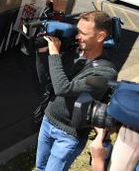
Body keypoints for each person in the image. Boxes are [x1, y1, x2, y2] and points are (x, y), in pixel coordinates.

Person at [35, 10, 118, 171]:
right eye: (77, 30)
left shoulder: (106, 73)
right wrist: (42, 52)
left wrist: (54, 54)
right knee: (40, 167)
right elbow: (47, 78)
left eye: (83, 33)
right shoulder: (74, 53)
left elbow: (63, 88)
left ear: (100, 36)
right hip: (48, 121)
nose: (77, 36)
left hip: (68, 135)